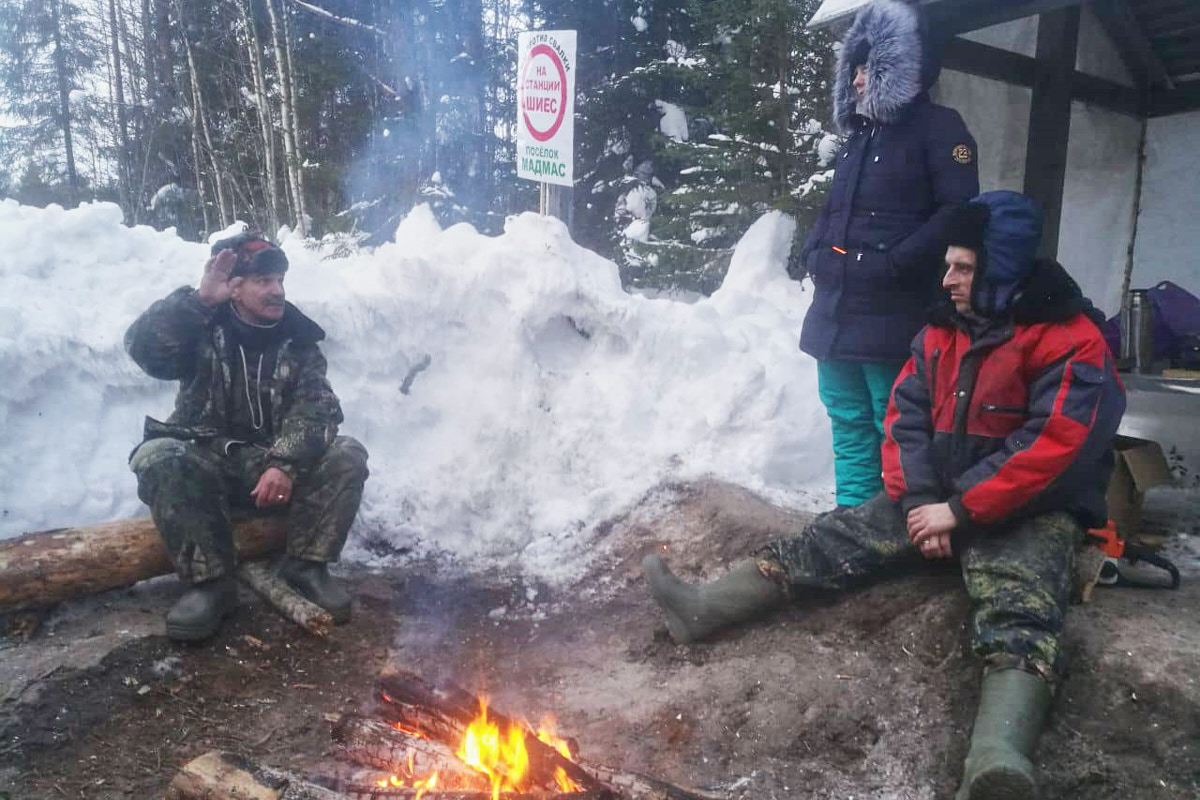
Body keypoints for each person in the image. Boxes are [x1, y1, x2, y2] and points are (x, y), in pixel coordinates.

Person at [646, 191, 1125, 800]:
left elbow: (1057, 446)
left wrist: (960, 509)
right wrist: (923, 499)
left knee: (1023, 605)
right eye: (948, 264)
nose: (947, 278)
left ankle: (995, 759)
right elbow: (905, 416)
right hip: (938, 497)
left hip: (1028, 510)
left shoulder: (1070, 338)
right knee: (833, 536)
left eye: (963, 267)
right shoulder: (941, 329)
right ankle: (703, 609)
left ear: (1000, 268)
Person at [126, 232, 369, 641]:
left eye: (279, 280)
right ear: (234, 289)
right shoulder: (200, 327)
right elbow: (144, 350)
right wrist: (198, 302)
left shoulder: (300, 340)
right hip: (207, 458)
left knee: (347, 454)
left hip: (270, 466)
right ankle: (211, 584)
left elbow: (317, 408)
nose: (276, 291)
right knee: (159, 455)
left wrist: (284, 462)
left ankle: (306, 565)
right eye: (263, 281)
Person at [791, 0, 979, 508]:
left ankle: (894, 525)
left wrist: (896, 262)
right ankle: (854, 518)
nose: (855, 82)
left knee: (892, 421)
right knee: (846, 417)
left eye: (866, 69)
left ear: (900, 68)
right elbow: (834, 211)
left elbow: (959, 210)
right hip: (836, 311)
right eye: (853, 70)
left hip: (895, 313)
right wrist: (813, 250)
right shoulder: (856, 139)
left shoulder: (942, 128)